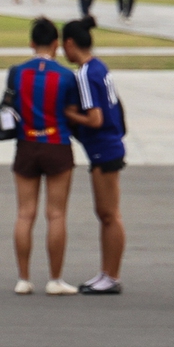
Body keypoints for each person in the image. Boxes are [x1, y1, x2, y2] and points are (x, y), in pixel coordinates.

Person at [5, 17, 102, 295]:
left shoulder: (17, 72)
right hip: (57, 143)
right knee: (56, 214)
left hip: (26, 143)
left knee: (25, 214)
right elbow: (72, 112)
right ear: (56, 44)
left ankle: (23, 278)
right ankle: (55, 278)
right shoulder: (66, 76)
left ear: (32, 43)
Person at [61, 19, 127, 294]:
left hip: (103, 147)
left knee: (109, 214)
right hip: (109, 145)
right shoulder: (99, 67)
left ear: (69, 44)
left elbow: (95, 118)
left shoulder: (85, 73)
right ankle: (106, 272)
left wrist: (68, 115)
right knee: (106, 213)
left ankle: (111, 276)